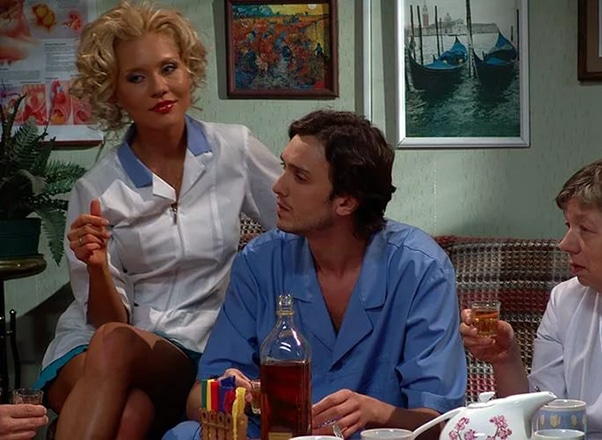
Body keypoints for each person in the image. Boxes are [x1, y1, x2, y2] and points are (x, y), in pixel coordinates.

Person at [33, 1, 280, 439]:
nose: (159, 88)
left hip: (195, 346)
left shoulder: (235, 150)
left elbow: (297, 218)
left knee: (116, 349)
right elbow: (106, 320)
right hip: (98, 342)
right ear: (114, 93)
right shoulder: (96, 189)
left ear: (189, 70)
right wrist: (96, 265)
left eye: (169, 68)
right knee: (131, 409)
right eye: (136, 77)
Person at [164, 109, 467, 440]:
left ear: (345, 202)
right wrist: (225, 396)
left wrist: (375, 414)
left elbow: (441, 424)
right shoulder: (259, 261)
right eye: (284, 168)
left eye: (299, 177)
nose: (278, 186)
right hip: (273, 436)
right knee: (185, 434)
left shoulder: (421, 269)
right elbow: (197, 399)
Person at [461, 151, 602, 439]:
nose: (565, 244)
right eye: (568, 226)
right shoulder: (565, 300)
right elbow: (541, 418)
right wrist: (506, 359)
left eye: (585, 229)